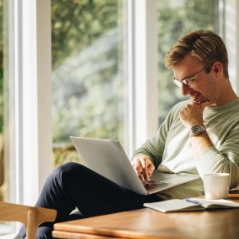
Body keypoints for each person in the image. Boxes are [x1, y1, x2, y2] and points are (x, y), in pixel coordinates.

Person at [14, 30, 239, 239]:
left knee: (66, 175)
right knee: (48, 230)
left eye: (190, 80)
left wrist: (196, 127)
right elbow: (149, 149)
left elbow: (223, 176)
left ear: (217, 70)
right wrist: (142, 159)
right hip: (145, 200)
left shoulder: (228, 118)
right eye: (178, 82)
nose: (183, 91)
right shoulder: (179, 111)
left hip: (178, 211)